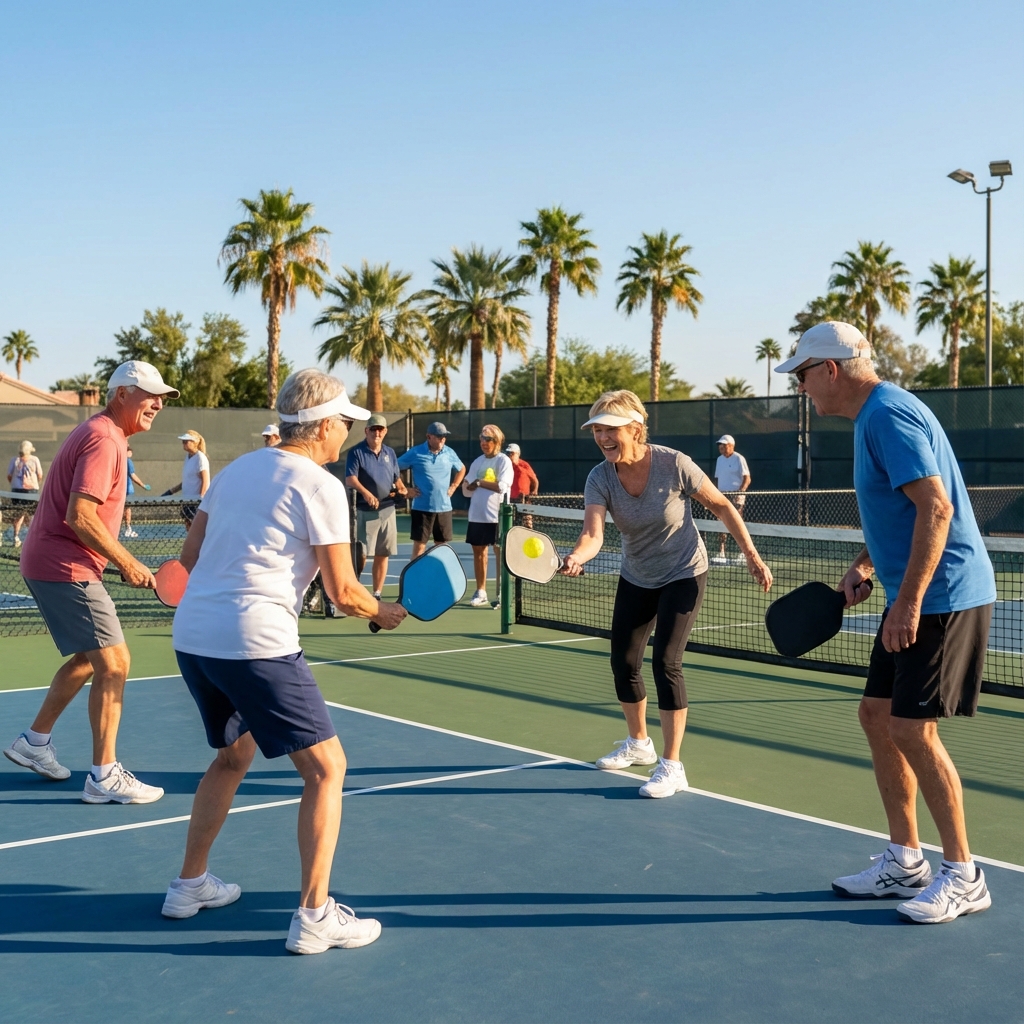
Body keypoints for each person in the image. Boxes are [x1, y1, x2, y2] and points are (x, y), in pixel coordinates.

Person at [163, 369, 406, 953]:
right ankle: (316, 915)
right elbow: (346, 593)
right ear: (322, 425)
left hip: (194, 635)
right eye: (344, 423)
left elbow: (189, 557)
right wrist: (382, 611)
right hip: (256, 642)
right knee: (327, 770)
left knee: (232, 756)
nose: (346, 432)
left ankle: (188, 885)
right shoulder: (321, 485)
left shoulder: (236, 470)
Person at [779, 321, 997, 924]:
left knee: (912, 730)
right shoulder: (871, 418)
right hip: (911, 592)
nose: (801, 387)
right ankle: (906, 860)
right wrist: (865, 563)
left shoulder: (889, 415)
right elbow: (901, 508)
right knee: (876, 715)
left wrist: (908, 605)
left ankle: (964, 874)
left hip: (944, 596)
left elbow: (937, 506)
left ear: (830, 369)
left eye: (802, 374)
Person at [559, 390, 773, 798]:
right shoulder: (599, 477)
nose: (603, 437)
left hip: (683, 571)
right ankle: (639, 743)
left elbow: (723, 506)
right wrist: (577, 556)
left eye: (612, 429)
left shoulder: (675, 464)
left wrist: (752, 556)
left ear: (636, 429)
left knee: (666, 662)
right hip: (637, 573)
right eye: (597, 430)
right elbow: (593, 533)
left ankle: (672, 766)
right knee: (623, 661)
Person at [2, 361, 175, 803]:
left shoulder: (100, 432)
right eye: (150, 394)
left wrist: (110, 559)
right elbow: (80, 515)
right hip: (65, 565)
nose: (158, 403)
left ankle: (34, 743)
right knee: (115, 663)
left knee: (88, 658)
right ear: (121, 394)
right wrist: (129, 561)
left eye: (162, 397)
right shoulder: (104, 439)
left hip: (56, 560)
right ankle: (104, 777)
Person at [345, 413, 407, 599]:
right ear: (366, 431)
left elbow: (396, 478)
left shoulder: (390, 453)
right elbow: (350, 478)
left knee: (383, 553)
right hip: (365, 510)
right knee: (361, 554)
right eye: (373, 429)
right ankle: (354, 586)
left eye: (380, 429)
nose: (377, 433)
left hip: (388, 509)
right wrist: (367, 493)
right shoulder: (356, 452)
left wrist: (402, 487)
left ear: (385, 431)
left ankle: (377, 593)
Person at [397, 421, 466, 559]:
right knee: (420, 546)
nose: (442, 439)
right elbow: (393, 467)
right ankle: (416, 579)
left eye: (444, 436)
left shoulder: (449, 452)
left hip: (444, 508)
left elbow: (462, 468)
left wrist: (454, 486)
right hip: (422, 509)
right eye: (439, 436)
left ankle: (438, 578)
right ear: (429, 437)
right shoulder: (416, 452)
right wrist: (404, 489)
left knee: (441, 546)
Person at [463, 424, 514, 608]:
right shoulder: (477, 461)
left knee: (500, 554)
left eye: (488, 439)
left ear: (497, 441)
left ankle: (501, 593)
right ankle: (481, 592)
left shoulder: (503, 461)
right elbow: (468, 485)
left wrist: (479, 482)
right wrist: (468, 484)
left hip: (497, 516)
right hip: (477, 515)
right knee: (479, 553)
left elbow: (502, 486)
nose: (484, 443)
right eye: (482, 439)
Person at [711, 434, 750, 564]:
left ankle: (742, 553)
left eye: (724, 445)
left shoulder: (739, 458)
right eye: (720, 445)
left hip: (736, 496)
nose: (721, 447)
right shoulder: (719, 460)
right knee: (721, 523)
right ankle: (721, 553)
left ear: (731, 446)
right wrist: (715, 494)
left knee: (737, 523)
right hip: (722, 497)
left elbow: (747, 478)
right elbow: (717, 479)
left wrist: (740, 492)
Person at [163, 430, 210, 528]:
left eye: (186, 441)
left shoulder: (200, 458)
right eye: (183, 441)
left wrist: (199, 501)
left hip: (196, 502)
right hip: (186, 501)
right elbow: (188, 480)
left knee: (197, 529)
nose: (183, 443)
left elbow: (205, 481)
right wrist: (171, 491)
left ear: (194, 442)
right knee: (189, 528)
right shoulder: (187, 457)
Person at [4, 440, 44, 548]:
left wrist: (15, 484)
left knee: (21, 514)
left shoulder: (15, 460)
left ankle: (18, 537)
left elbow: (9, 475)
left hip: (18, 491)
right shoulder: (34, 460)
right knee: (29, 514)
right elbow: (40, 475)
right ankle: (27, 538)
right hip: (30, 491)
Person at [122, 443, 151, 539]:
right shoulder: (127, 461)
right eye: (129, 449)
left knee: (124, 508)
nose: (131, 451)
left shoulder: (118, 460)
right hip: (126, 489)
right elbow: (133, 475)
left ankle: (126, 528)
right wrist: (143, 485)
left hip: (121, 489)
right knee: (127, 509)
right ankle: (128, 528)